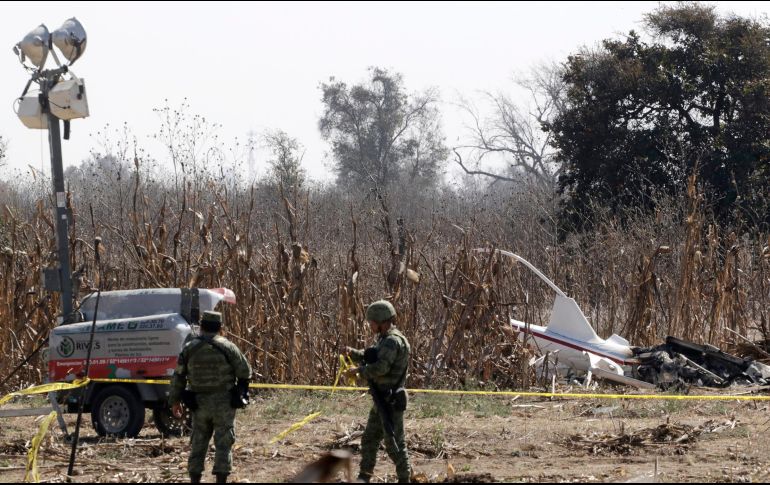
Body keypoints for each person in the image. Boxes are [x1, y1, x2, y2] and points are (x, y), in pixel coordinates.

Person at [169, 310, 251, 484]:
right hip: (224, 403)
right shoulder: (228, 347)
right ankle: (221, 480)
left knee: (198, 443)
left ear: (202, 327)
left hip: (199, 403)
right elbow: (245, 371)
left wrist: (175, 400)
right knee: (224, 443)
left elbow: (178, 377)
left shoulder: (190, 348)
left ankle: (195, 480)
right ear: (220, 328)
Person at [345, 300, 412, 483]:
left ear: (382, 321)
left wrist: (358, 372)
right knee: (369, 440)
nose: (370, 325)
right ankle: (364, 477)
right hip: (381, 400)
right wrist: (352, 353)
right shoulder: (385, 339)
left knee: (395, 445)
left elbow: (381, 367)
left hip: (390, 401)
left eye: (372, 322)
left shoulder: (392, 341)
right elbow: (372, 355)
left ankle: (405, 479)